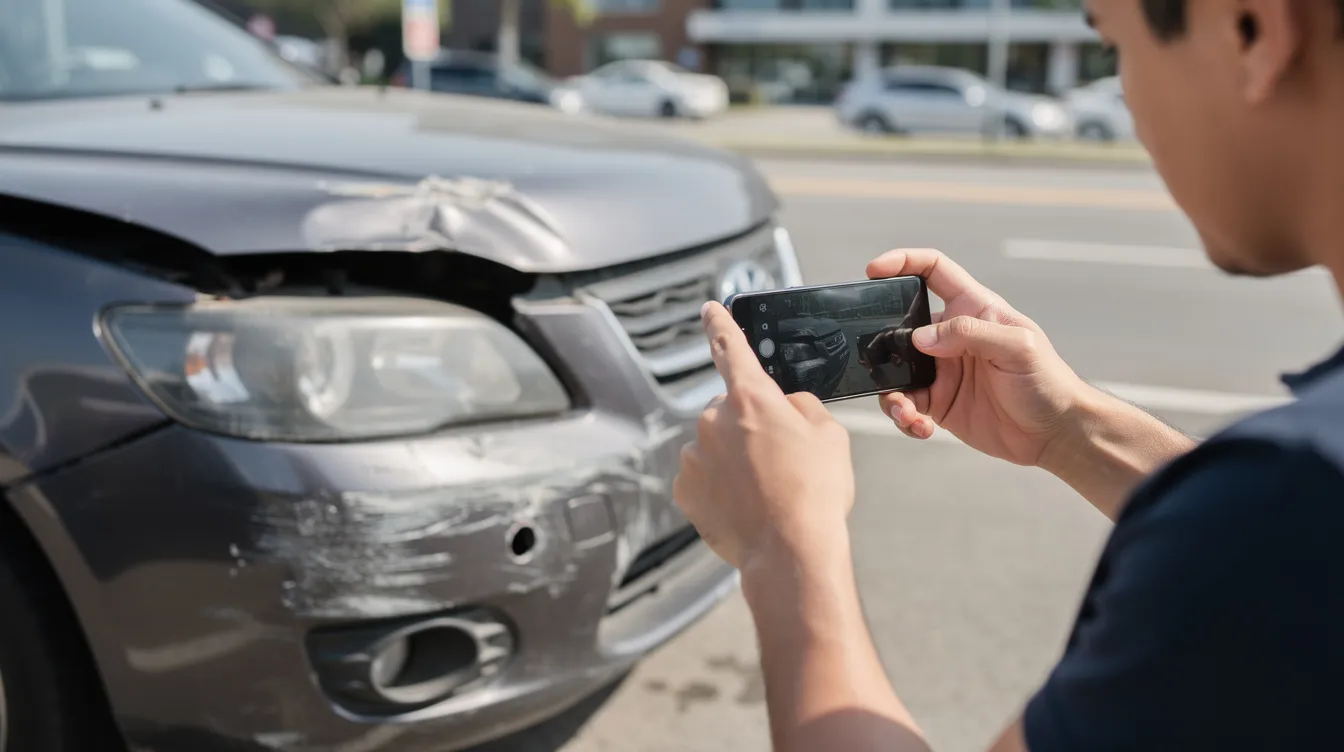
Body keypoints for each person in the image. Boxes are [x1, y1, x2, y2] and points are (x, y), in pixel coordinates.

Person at [672, 1, 1344, 750]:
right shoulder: (1291, 503)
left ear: (1252, 31)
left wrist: (782, 543)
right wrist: (1068, 432)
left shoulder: (1291, 503)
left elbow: (1279, 533)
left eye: (1116, 47)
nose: (1126, 97)